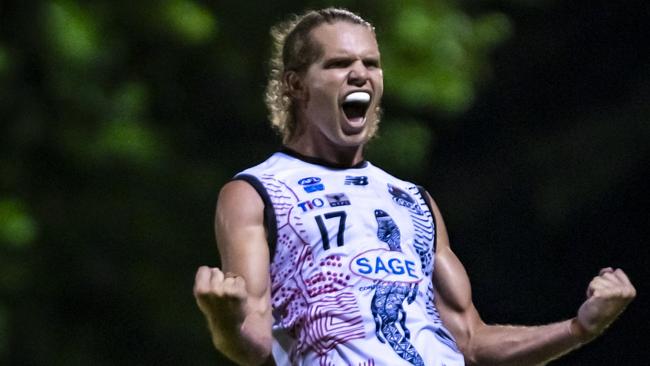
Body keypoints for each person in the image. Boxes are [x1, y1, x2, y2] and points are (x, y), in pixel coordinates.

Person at [193, 8, 636, 366]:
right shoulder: (258, 191)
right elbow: (251, 344)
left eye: (371, 63)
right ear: (295, 84)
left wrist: (579, 329)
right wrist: (223, 320)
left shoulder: (413, 201)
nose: (361, 74)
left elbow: (471, 341)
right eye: (339, 63)